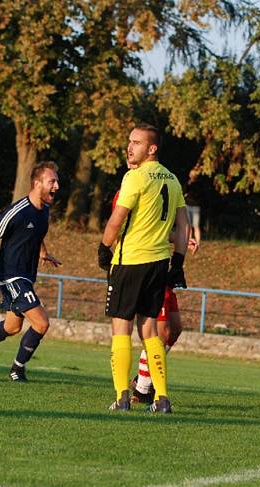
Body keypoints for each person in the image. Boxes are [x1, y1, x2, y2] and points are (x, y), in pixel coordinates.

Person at [98, 124, 189, 414]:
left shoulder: (134, 177)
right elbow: (183, 225)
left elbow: (118, 217)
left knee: (120, 328)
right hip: (159, 264)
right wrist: (179, 262)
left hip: (130, 261)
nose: (129, 147)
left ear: (152, 149)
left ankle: (123, 397)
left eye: (136, 142)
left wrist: (104, 247)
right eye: (129, 142)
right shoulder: (173, 180)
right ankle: (162, 399)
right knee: (149, 330)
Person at [0, 161, 62, 382]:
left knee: (12, 327)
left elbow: (38, 234)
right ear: (37, 184)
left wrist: (43, 253)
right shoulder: (17, 210)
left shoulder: (44, 211)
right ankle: (17, 369)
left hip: (26, 275)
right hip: (11, 275)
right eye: (52, 181)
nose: (57, 186)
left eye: (57, 181)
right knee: (42, 323)